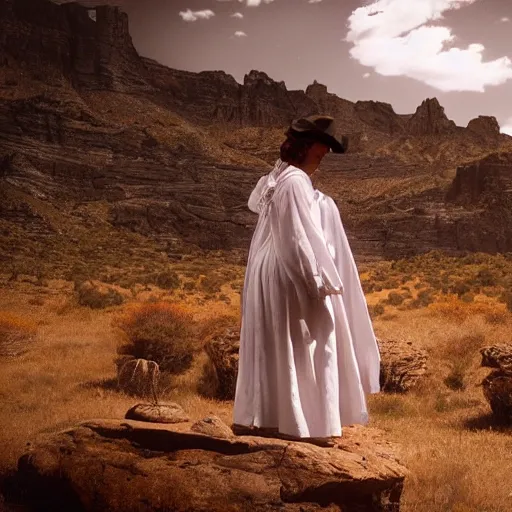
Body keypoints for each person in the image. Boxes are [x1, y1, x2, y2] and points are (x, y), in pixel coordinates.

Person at [233, 115, 380, 441]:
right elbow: (296, 237)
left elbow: (257, 205)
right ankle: (305, 424)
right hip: (288, 271)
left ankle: (274, 416)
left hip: (267, 269)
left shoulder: (278, 177)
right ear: (308, 145)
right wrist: (315, 283)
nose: (325, 153)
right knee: (312, 338)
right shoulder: (296, 181)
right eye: (322, 146)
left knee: (281, 341)